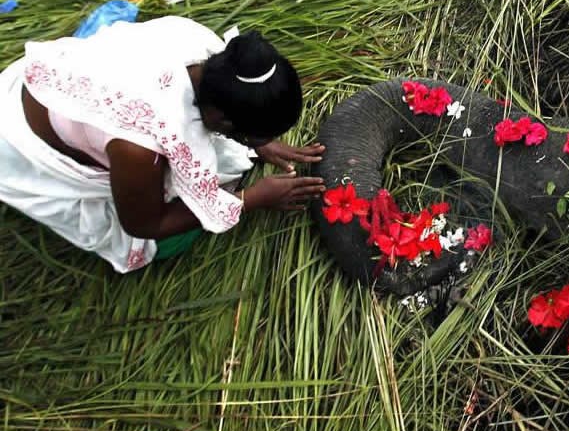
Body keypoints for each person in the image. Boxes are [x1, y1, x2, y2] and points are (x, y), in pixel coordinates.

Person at [0, 15, 325, 272]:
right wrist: (253, 198)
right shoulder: (138, 150)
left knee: (223, 163)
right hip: (21, 149)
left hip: (41, 84)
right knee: (169, 243)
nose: (257, 144)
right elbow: (144, 223)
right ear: (221, 119)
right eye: (248, 136)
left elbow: (226, 117)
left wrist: (257, 144)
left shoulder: (203, 47)